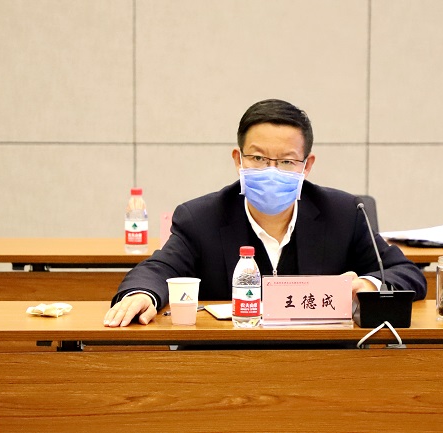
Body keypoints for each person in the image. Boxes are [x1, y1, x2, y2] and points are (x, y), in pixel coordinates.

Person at [104, 99, 426, 327]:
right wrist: (143, 294)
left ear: (307, 166)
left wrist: (368, 285)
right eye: (258, 158)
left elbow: (405, 273)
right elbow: (160, 268)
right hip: (226, 364)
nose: (271, 171)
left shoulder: (343, 214)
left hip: (323, 363)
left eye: (286, 161)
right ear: (238, 160)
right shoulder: (201, 218)